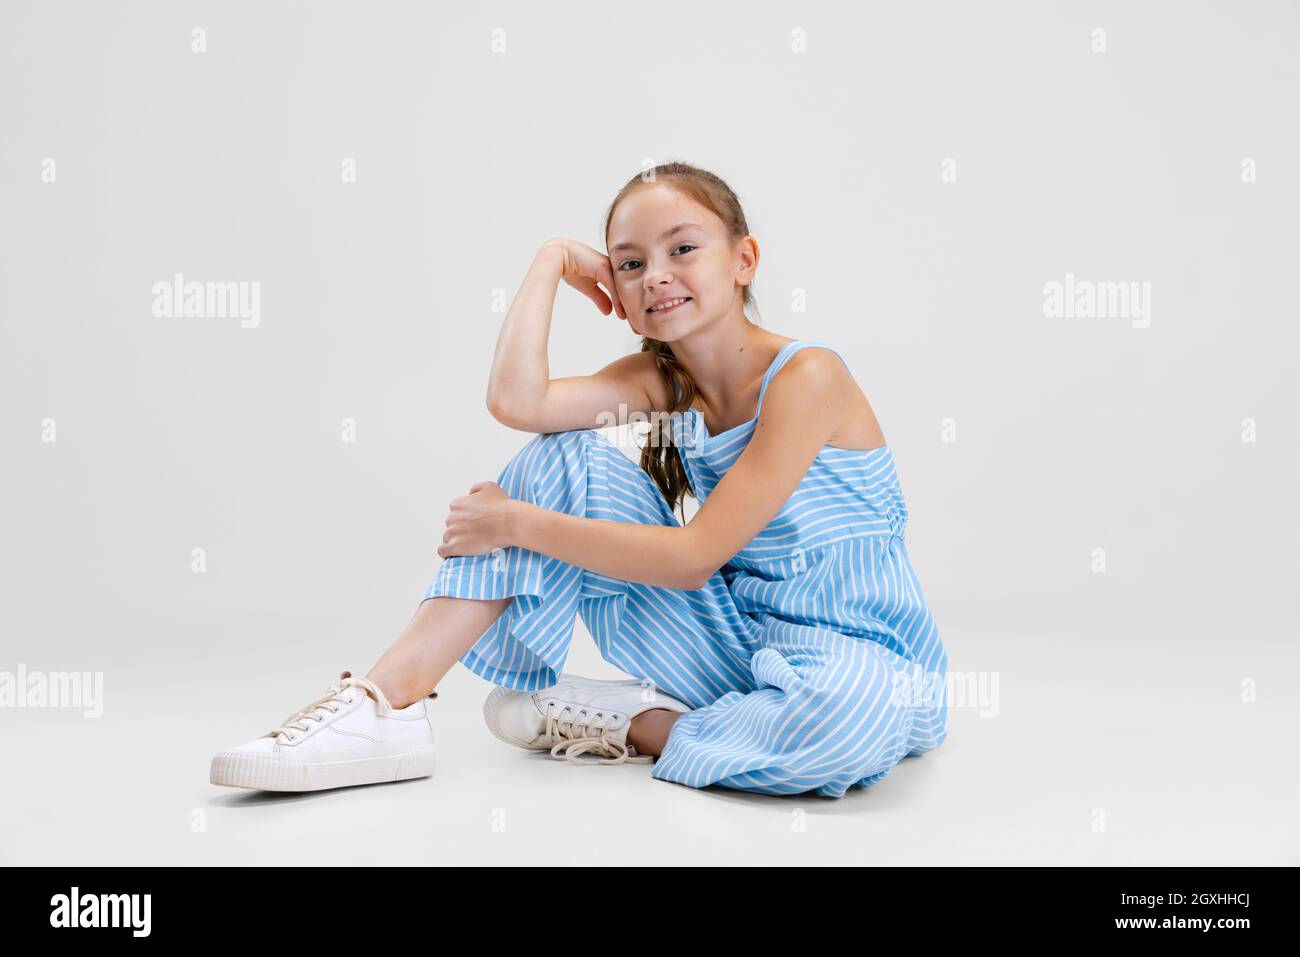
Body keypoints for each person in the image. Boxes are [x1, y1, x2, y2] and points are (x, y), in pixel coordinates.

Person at [210, 161, 949, 799]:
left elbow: (695, 554)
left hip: (858, 654)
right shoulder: (655, 382)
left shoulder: (809, 376)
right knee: (562, 453)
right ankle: (385, 706)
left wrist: (513, 524)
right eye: (630, 264)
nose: (655, 274)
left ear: (743, 259)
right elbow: (518, 403)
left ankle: (637, 721)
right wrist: (549, 265)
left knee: (850, 721)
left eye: (683, 248)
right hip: (733, 637)